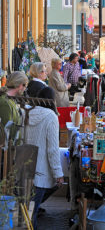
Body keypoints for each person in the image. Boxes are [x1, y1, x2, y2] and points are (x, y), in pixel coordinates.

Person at [26, 87, 63, 230]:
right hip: (41, 173)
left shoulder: (27, 112)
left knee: (26, 212)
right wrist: (58, 174)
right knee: (31, 213)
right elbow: (52, 149)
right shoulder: (51, 117)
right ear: (52, 101)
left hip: (24, 168)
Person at [0, 71, 28, 141]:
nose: (24, 89)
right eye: (25, 85)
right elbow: (6, 131)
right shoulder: (5, 103)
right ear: (20, 85)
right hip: (7, 148)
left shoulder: (11, 100)